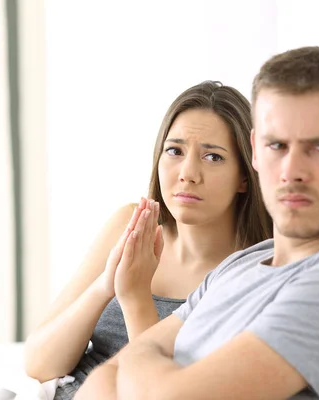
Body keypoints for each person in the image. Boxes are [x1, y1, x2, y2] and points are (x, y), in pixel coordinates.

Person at [76, 46, 319, 400]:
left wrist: (145, 362)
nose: (292, 172)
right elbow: (108, 376)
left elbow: (163, 391)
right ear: (256, 151)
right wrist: (145, 366)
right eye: (277, 145)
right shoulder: (242, 264)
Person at [23, 80, 273, 399]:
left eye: (213, 157)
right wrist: (105, 286)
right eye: (175, 151)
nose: (188, 173)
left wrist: (135, 296)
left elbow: (169, 392)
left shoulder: (254, 269)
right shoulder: (129, 225)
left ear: (244, 176)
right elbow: (40, 365)